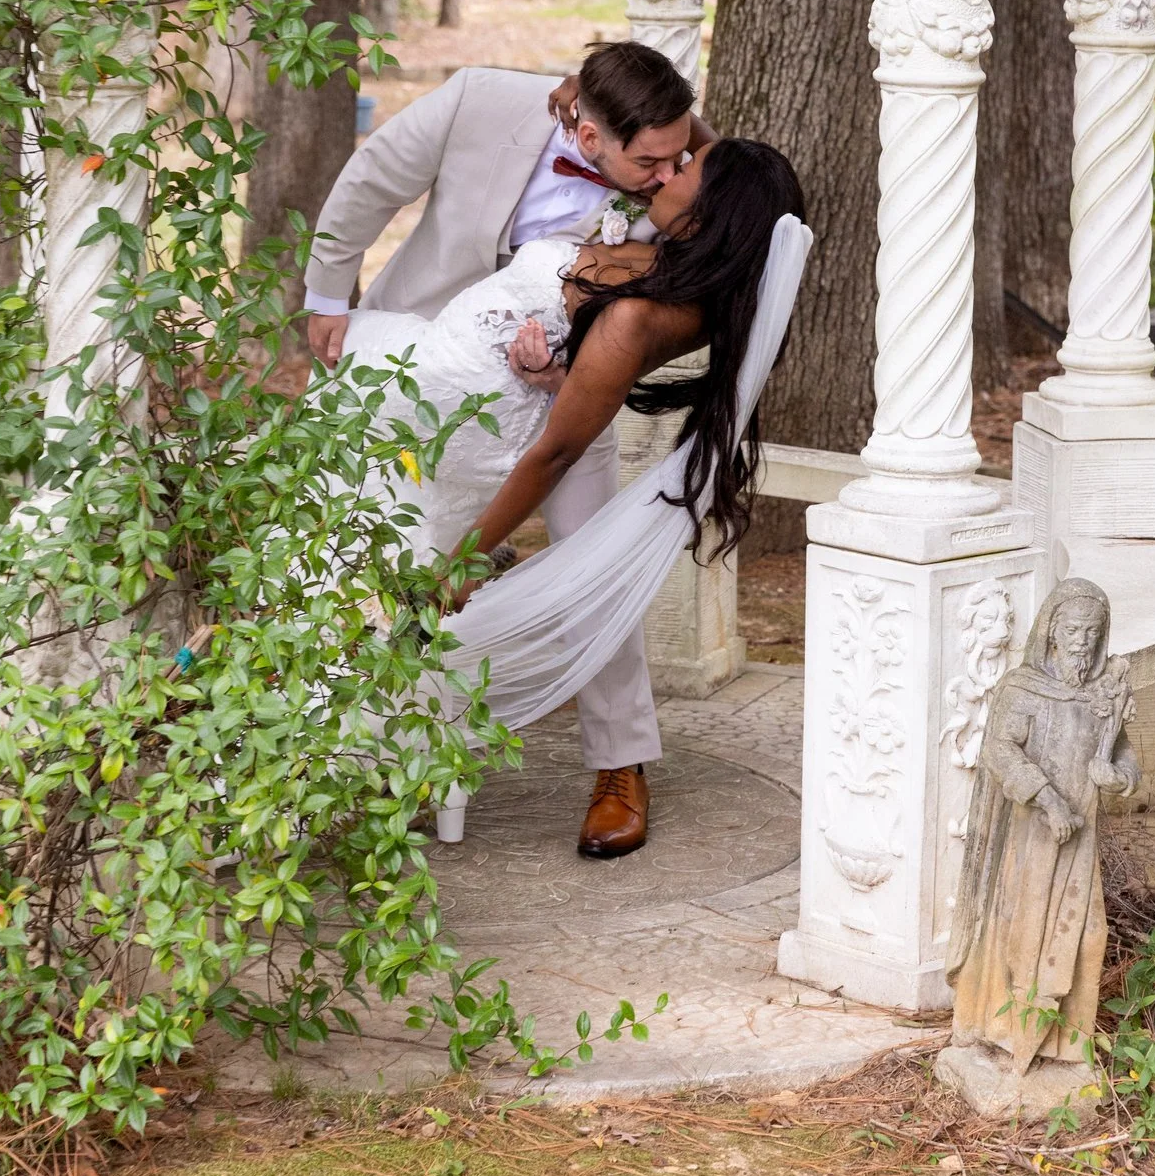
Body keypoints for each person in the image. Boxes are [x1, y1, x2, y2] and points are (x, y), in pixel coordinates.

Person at [322, 136, 806, 858]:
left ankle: (620, 770)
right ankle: (365, 743)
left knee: (591, 591)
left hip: (540, 441)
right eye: (667, 159)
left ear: (708, 215)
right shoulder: (665, 234)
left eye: (685, 171)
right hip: (447, 398)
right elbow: (668, 133)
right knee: (346, 547)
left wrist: (467, 562)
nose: (667, 171)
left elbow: (556, 450)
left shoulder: (649, 313)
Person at [946, 579, 1140, 1073]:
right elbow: (998, 750)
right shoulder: (1023, 688)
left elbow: (1126, 755)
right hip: (1032, 837)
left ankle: (1066, 1046)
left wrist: (1117, 776)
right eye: (1073, 629)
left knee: (1088, 935)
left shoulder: (1106, 694)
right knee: (1024, 933)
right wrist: (1049, 799)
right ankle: (1007, 1033)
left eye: (1093, 631)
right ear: (1052, 630)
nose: (1083, 640)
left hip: (1082, 841)